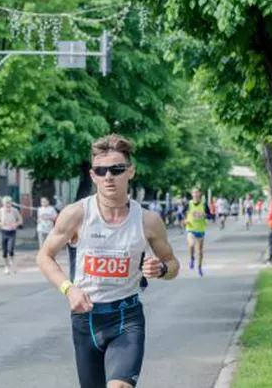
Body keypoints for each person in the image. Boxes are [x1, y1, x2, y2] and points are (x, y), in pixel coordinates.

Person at [37, 134, 179, 388]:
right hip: (86, 318)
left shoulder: (148, 221)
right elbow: (44, 256)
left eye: (116, 169)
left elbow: (173, 265)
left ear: (130, 171)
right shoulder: (76, 215)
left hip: (128, 316)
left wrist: (162, 268)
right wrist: (68, 289)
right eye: (101, 171)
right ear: (93, 176)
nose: (109, 177)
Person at [0, 196, 24, 274]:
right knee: (4, 252)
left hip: (12, 232)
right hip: (4, 232)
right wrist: (2, 223)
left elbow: (20, 221)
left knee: (10, 249)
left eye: (9, 203)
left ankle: (12, 264)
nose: (8, 205)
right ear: (3, 204)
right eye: (6, 203)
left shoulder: (15, 211)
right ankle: (6, 267)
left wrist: (16, 224)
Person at [185, 188, 207, 277]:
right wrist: (185, 220)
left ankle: (199, 267)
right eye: (194, 192)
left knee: (200, 251)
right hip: (191, 228)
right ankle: (191, 258)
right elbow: (183, 212)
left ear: (200, 194)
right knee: (191, 245)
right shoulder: (189, 203)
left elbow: (211, 214)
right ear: (192, 194)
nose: (196, 194)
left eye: (197, 192)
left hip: (200, 229)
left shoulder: (204, 204)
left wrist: (205, 215)